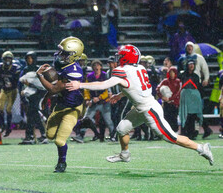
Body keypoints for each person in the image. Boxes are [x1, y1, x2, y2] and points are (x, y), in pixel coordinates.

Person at [66, 44, 214, 166]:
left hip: (149, 110)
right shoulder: (140, 68)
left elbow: (103, 84)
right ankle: (125, 155)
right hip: (141, 106)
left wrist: (79, 84)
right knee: (122, 129)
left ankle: (201, 148)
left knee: (171, 137)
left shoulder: (122, 70)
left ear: (126, 57)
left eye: (121, 56)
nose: (118, 59)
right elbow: (135, 86)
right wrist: (121, 94)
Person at [36, 36, 84, 173]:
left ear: (74, 56)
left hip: (73, 108)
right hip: (61, 105)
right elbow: (55, 87)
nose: (61, 55)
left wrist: (39, 76)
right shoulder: (61, 64)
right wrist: (46, 98)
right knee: (50, 135)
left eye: (65, 53)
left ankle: (62, 163)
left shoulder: (74, 70)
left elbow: (54, 89)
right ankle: (64, 131)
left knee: (59, 140)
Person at [18, 51, 48, 145]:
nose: (29, 60)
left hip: (38, 96)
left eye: (31, 58)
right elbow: (20, 84)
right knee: (32, 116)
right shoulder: (25, 70)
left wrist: (30, 85)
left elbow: (42, 86)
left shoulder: (39, 70)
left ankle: (31, 136)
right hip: (29, 96)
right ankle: (40, 135)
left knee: (32, 116)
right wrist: (22, 96)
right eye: (28, 58)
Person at [83, 59, 115, 142]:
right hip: (93, 101)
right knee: (87, 118)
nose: (96, 67)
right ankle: (82, 135)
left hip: (104, 101)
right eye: (94, 65)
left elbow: (107, 89)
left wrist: (99, 97)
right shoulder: (89, 76)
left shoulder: (105, 75)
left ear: (101, 66)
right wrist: (87, 99)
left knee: (108, 120)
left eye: (98, 65)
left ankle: (113, 136)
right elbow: (86, 88)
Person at [0, 51, 20, 137]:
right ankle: (1, 125)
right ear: (3, 60)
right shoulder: (0, 67)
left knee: (8, 109)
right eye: (6, 58)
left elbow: (18, 79)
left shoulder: (15, 67)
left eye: (9, 58)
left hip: (12, 90)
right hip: (4, 89)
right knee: (0, 107)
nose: (7, 60)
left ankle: (8, 128)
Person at [156, 67, 180, 132]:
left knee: (174, 118)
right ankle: (167, 132)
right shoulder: (165, 81)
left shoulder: (178, 81)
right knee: (166, 118)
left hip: (174, 103)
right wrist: (162, 97)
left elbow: (178, 92)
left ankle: (175, 132)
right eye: (170, 73)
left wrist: (170, 98)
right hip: (166, 103)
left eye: (173, 73)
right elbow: (158, 89)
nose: (172, 74)